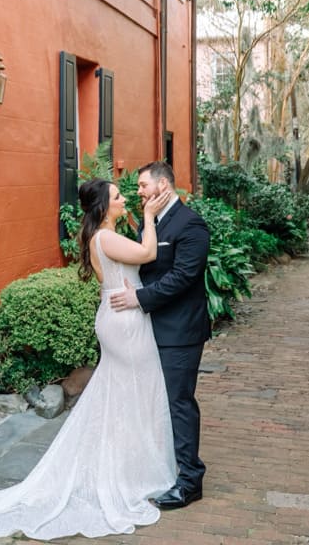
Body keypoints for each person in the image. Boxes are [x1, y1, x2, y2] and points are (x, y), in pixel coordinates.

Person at [0, 178, 176, 539]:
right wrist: (149, 215)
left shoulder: (103, 235)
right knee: (132, 392)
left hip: (121, 314)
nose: (125, 199)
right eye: (119, 197)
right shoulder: (104, 237)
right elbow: (149, 253)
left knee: (121, 394)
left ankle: (124, 464)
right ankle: (124, 473)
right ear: (103, 207)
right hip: (124, 322)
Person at [109, 161, 211, 508]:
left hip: (180, 331)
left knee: (178, 403)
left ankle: (190, 480)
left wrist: (138, 297)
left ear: (163, 185)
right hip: (150, 329)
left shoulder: (191, 225)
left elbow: (183, 277)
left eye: (142, 186)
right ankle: (164, 468)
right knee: (156, 404)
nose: (138, 192)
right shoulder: (151, 223)